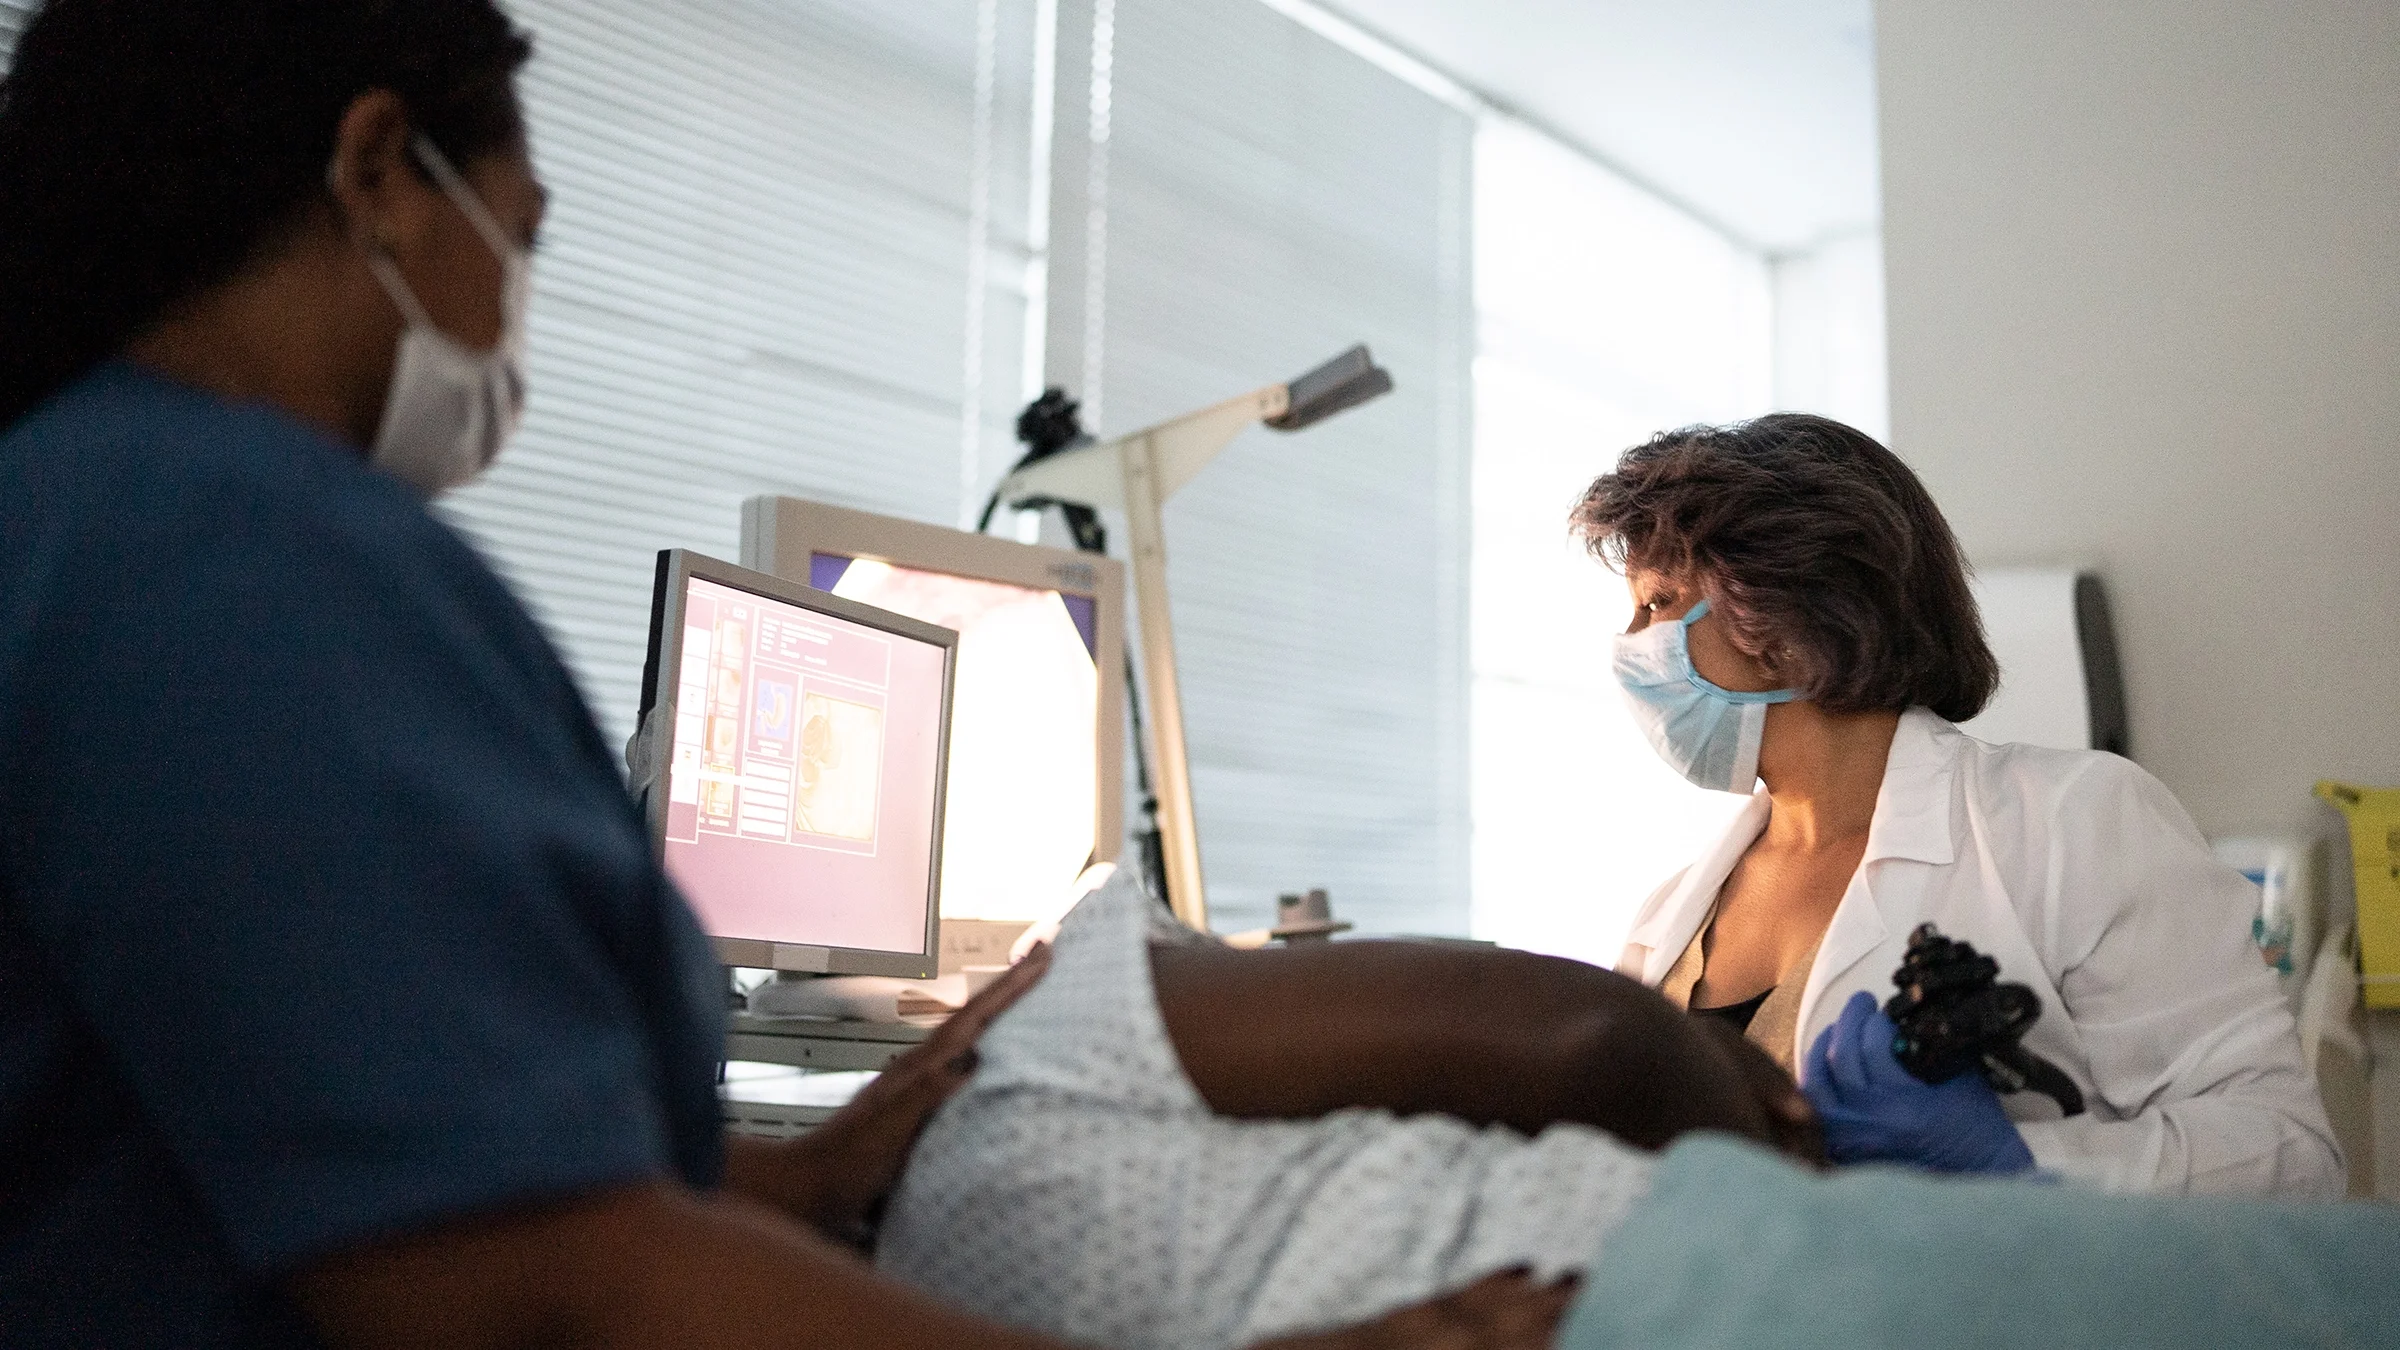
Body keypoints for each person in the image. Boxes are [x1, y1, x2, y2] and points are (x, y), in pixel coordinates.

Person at [0, 3, 1572, 1347]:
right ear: (377, 176)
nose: (514, 312)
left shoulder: (95, 515)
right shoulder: (229, 547)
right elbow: (536, 1276)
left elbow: (306, 1120)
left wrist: (806, 1176)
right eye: (523, 235)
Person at [1569, 414, 2342, 1196]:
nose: (1632, 645)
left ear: (1795, 618)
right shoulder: (1666, 921)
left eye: (1658, 604)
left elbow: (2291, 1155)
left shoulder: (2073, 822)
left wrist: (2018, 1165)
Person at [877, 870, 1823, 1350]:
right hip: (1769, 1276)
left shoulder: (955, 1195)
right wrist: (1792, 1156)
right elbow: (1583, 1037)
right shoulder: (1015, 1067)